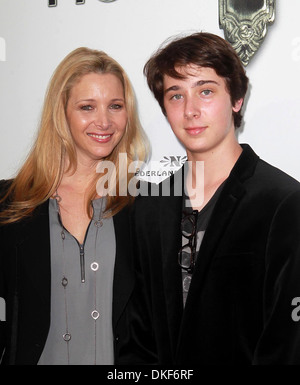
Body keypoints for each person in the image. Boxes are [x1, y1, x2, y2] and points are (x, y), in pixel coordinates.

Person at [128, 32, 300, 365]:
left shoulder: (283, 203)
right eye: (176, 95)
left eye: (206, 91)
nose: (190, 110)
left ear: (236, 98)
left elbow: (287, 344)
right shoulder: (149, 207)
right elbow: (140, 339)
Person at [0, 47, 148, 365]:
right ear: (61, 112)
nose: (104, 121)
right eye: (87, 107)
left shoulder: (145, 205)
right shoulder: (9, 204)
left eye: (116, 106)